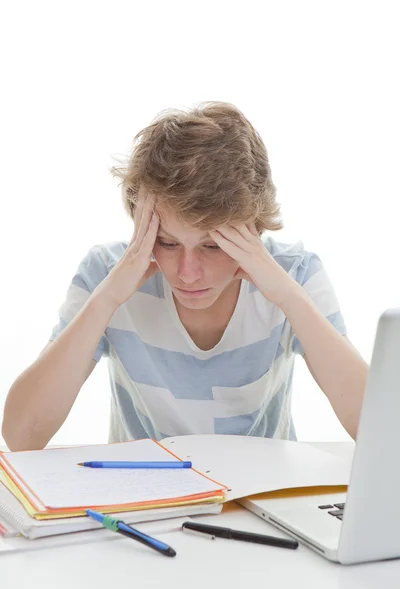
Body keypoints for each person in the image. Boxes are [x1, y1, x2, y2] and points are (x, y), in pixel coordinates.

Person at [2, 102, 368, 451]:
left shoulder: (295, 273)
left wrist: (289, 298)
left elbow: (376, 429)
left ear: (254, 232)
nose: (187, 273)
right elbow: (21, 436)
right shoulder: (106, 274)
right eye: (167, 242)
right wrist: (107, 299)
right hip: (144, 503)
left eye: (213, 247)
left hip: (257, 505)